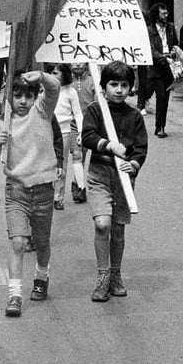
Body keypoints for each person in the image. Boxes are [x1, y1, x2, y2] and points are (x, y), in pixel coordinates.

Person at [0, 69, 60, 316]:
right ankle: (14, 294)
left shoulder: (42, 112)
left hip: (44, 187)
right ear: (9, 98)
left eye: (28, 95)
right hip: (16, 190)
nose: (23, 102)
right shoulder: (1, 123)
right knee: (17, 242)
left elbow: (54, 87)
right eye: (17, 96)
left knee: (41, 241)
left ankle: (41, 275)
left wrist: (41, 76)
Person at [82, 61, 148, 301]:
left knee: (118, 229)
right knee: (102, 224)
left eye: (124, 85)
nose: (119, 90)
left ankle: (115, 275)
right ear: (104, 86)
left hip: (123, 179)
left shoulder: (134, 116)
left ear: (131, 88)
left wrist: (134, 164)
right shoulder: (95, 110)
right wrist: (109, 145)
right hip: (100, 173)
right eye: (113, 84)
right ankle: (102, 277)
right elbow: (88, 136)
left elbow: (141, 148)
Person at [47, 63, 84, 210]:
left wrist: (81, 132)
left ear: (64, 74)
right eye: (51, 73)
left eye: (56, 73)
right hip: (46, 130)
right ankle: (47, 194)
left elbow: (78, 113)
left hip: (64, 132)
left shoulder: (70, 92)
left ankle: (58, 197)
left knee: (60, 165)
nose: (53, 76)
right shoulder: (46, 90)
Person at [141, 4, 178, 138]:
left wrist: (174, 51)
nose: (166, 16)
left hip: (169, 66)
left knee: (166, 97)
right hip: (157, 67)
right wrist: (163, 58)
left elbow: (175, 43)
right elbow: (150, 50)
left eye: (167, 13)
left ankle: (161, 125)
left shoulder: (171, 28)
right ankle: (159, 126)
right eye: (163, 14)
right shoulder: (149, 30)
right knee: (161, 96)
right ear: (156, 15)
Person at [69, 62, 95, 203]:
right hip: (71, 125)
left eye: (81, 60)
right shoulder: (65, 83)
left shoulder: (93, 82)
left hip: (90, 124)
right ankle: (78, 187)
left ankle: (80, 183)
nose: (78, 63)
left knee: (84, 154)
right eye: (74, 60)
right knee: (77, 154)